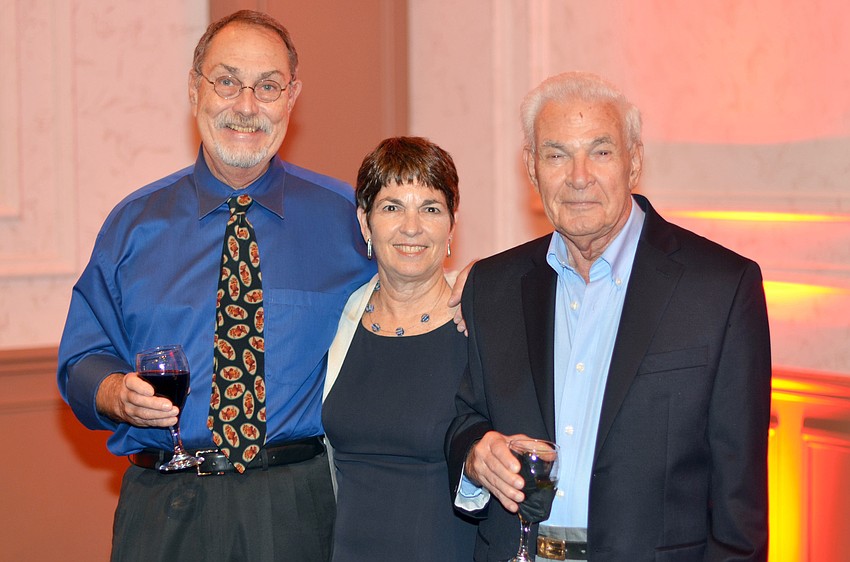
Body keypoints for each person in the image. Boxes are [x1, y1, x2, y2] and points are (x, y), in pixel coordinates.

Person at [56, 10, 376, 560]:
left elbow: (411, 301)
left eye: (268, 86)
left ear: (292, 97)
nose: (246, 106)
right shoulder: (133, 224)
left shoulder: (349, 220)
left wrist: (460, 292)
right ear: (194, 88)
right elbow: (83, 355)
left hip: (298, 507)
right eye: (226, 81)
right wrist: (113, 393)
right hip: (164, 509)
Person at [445, 71, 772, 561]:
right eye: (557, 154)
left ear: (634, 161)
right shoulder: (492, 286)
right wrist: (474, 454)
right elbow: (462, 417)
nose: (579, 177)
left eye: (600, 151)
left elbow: (738, 508)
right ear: (532, 170)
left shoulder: (720, 289)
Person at [322, 137, 477, 561]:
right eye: (392, 207)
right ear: (365, 222)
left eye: (430, 208)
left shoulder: (481, 326)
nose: (412, 227)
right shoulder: (339, 318)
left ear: (451, 224)